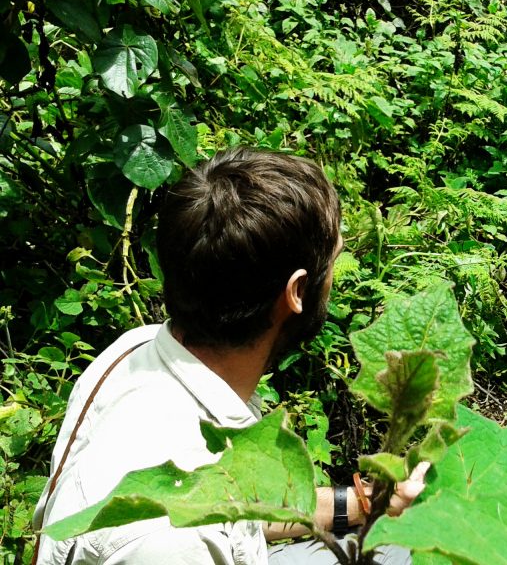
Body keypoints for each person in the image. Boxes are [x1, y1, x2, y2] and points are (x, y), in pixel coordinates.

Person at [32, 148, 426, 564]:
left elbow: (233, 513)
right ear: (296, 292)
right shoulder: (171, 544)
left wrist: (369, 502)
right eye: (334, 261)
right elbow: (198, 532)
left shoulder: (138, 349)